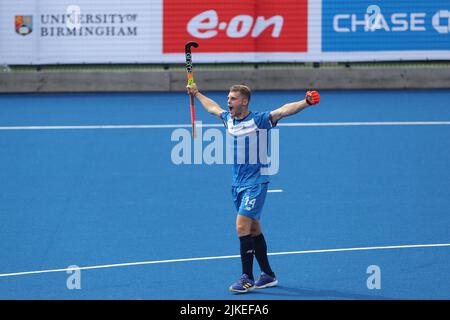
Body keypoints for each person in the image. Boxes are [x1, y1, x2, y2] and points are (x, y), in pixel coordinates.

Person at [186, 83, 320, 293]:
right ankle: (268, 275)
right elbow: (212, 108)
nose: (228, 102)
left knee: (241, 226)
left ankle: (246, 277)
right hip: (237, 183)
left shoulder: (259, 120)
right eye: (228, 98)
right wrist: (197, 93)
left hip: (256, 183)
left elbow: (284, 110)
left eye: (233, 98)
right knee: (254, 229)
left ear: (244, 101)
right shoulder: (228, 120)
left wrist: (306, 102)